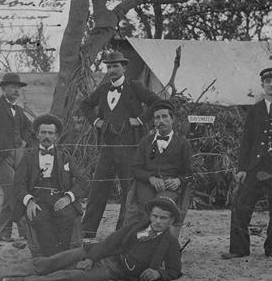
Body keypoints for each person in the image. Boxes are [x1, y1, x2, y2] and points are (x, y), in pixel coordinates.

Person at [0, 195, 182, 281]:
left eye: (164, 218)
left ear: (171, 220)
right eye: (155, 216)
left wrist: (158, 273)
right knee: (48, 262)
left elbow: (175, 270)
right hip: (95, 252)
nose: (157, 222)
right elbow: (110, 241)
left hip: (113, 270)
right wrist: (90, 257)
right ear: (150, 215)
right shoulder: (137, 226)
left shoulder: (170, 243)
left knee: (70, 277)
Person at [222, 67, 272, 260]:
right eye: (268, 82)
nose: (271, 85)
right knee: (241, 206)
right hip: (254, 167)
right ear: (262, 85)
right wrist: (242, 169)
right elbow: (246, 142)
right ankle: (239, 249)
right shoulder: (255, 111)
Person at [79, 50, 158, 238]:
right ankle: (87, 231)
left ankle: (122, 231)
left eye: (115, 66)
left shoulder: (135, 87)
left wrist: (139, 120)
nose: (112, 70)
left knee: (128, 191)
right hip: (107, 147)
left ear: (124, 67)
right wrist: (96, 121)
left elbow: (156, 102)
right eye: (109, 67)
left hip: (130, 148)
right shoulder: (104, 88)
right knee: (98, 187)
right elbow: (85, 105)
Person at [14, 113, 87, 256]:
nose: (47, 136)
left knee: (66, 216)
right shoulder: (28, 158)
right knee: (39, 219)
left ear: (56, 136)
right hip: (37, 199)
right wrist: (29, 201)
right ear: (37, 135)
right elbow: (18, 184)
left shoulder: (65, 157)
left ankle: (61, 257)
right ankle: (51, 259)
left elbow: (82, 181)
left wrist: (68, 197)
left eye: (50, 133)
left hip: (60, 198)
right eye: (43, 132)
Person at [124, 100, 192, 238]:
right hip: (147, 183)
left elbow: (189, 173)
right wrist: (151, 178)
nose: (161, 121)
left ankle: (161, 243)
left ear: (172, 119)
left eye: (164, 116)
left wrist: (178, 181)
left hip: (170, 186)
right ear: (154, 121)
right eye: (157, 117)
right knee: (145, 207)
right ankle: (139, 242)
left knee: (162, 207)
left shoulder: (182, 143)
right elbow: (135, 168)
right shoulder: (146, 142)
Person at [0, 72, 33, 243]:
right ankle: (26, 233)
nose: (16, 90)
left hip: (18, 154)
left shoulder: (18, 110)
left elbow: (28, 128)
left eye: (18, 88)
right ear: (3, 89)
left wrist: (25, 141)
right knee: (14, 192)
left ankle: (3, 234)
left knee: (8, 195)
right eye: (12, 87)